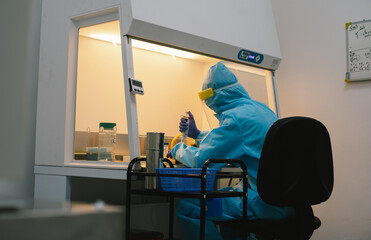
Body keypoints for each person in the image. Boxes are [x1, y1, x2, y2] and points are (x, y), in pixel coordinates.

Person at [168, 62, 294, 240]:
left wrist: (176, 150)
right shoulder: (259, 109)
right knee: (228, 198)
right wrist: (196, 134)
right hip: (288, 200)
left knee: (190, 205)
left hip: (266, 204)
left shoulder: (235, 117)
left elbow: (201, 160)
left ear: (214, 97)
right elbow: (233, 140)